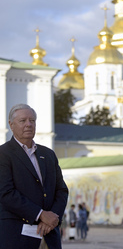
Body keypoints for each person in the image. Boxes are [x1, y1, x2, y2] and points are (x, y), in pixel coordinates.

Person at [0, 104, 69, 249]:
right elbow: (6, 193)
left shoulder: (48, 154)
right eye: (23, 120)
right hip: (17, 238)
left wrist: (51, 218)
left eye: (32, 120)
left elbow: (61, 190)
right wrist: (40, 214)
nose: (28, 124)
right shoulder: (3, 154)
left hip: (49, 237)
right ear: (11, 125)